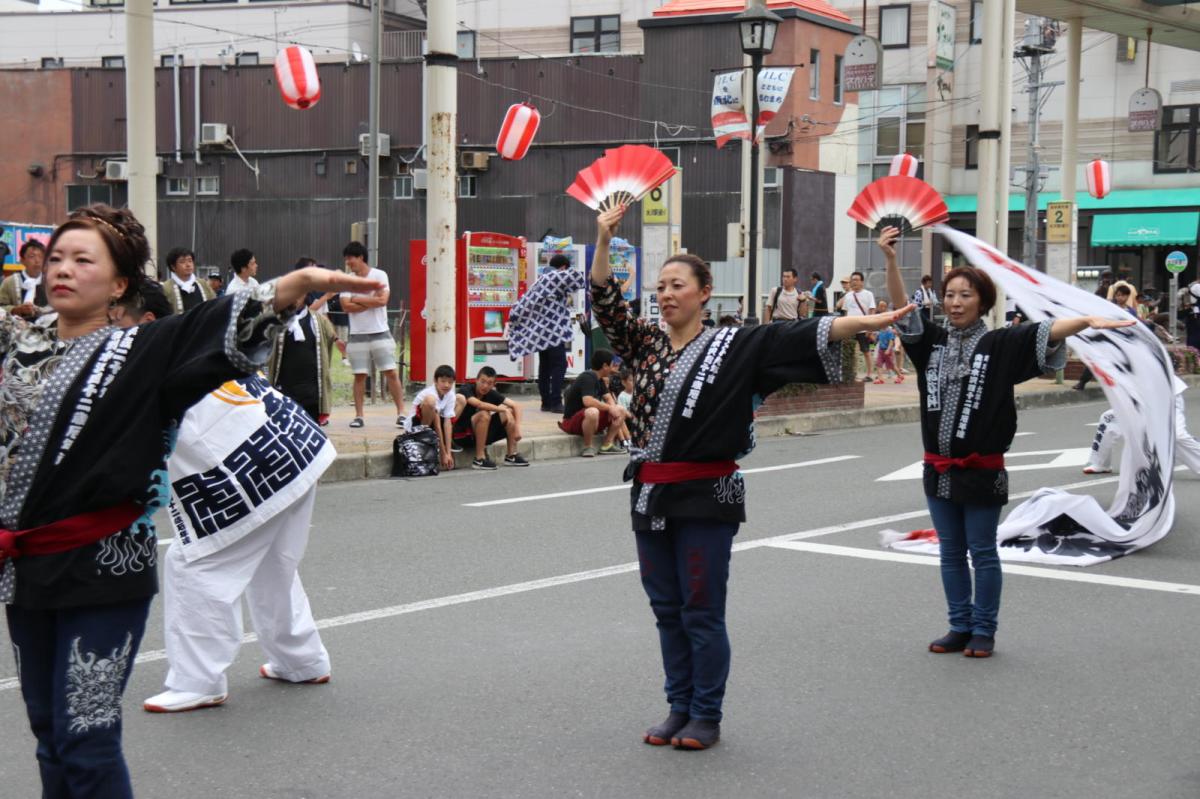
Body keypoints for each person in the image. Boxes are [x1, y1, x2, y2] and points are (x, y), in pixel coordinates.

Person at [0, 204, 379, 798]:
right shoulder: (15, 343)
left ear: (119, 283)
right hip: (25, 570)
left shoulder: (145, 348)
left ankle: (205, 677)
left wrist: (292, 288)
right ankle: (298, 658)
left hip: (105, 567)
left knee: (87, 737)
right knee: (49, 733)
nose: (63, 269)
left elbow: (217, 323)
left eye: (83, 259)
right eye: (55, 258)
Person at [590, 206, 912, 751]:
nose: (666, 294)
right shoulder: (643, 344)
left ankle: (706, 714)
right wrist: (602, 239)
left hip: (707, 494)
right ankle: (678, 704)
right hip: (650, 492)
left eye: (678, 285)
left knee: (701, 609)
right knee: (666, 608)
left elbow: (802, 332)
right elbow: (605, 299)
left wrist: (867, 322)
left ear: (705, 292)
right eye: (661, 286)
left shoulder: (735, 345)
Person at [877, 225, 1134, 660]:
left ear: (983, 302)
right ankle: (959, 625)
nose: (955, 302)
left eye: (965, 295)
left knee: (982, 550)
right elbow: (904, 313)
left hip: (983, 470)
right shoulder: (932, 345)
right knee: (951, 552)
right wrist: (888, 260)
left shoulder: (1000, 344)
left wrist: (1087, 320)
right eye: (950, 294)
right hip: (937, 469)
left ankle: (984, 630)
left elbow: (1048, 332)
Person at [105, 285, 334, 714]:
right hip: (297, 448)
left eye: (116, 319)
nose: (111, 329)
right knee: (273, 565)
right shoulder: (199, 342)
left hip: (253, 463)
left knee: (194, 565)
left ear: (148, 322)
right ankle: (301, 660)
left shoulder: (151, 358)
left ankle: (199, 680)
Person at [506, 253, 587, 413]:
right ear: (563, 268)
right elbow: (579, 279)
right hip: (553, 332)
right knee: (559, 365)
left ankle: (546, 402)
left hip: (541, 333)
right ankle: (556, 402)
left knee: (545, 366)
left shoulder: (541, 279)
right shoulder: (555, 276)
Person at [340, 241, 405, 428]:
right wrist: (371, 300)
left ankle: (401, 412)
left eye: (350, 258)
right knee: (359, 375)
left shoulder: (379, 275)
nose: (348, 262)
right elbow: (345, 306)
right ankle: (359, 415)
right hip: (357, 334)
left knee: (391, 372)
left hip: (380, 332)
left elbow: (383, 300)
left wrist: (356, 298)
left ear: (360, 257)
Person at [1084, 376, 1200, 476]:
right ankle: (1100, 462)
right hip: (1139, 399)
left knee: (1176, 435)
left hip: (1166, 397)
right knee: (1109, 418)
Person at [267, 266, 339, 424]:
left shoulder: (319, 321)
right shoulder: (275, 321)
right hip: (284, 391)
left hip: (311, 391)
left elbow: (328, 348)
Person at [452, 366, 529, 470]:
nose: (485, 386)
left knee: (510, 412)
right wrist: (502, 409)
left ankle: (511, 455)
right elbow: (479, 404)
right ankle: (479, 459)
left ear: (493, 385)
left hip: (481, 435)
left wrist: (517, 429)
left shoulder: (491, 394)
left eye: (489, 383)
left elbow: (517, 406)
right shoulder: (466, 389)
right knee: (484, 414)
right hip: (462, 436)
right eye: (482, 381)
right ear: (476, 380)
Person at [558, 349, 627, 457]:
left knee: (620, 409)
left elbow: (609, 398)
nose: (612, 369)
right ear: (605, 366)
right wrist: (610, 408)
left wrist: (614, 409)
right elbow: (588, 401)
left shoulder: (599, 380)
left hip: (589, 421)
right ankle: (588, 446)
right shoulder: (587, 377)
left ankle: (607, 445)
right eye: (612, 365)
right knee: (592, 411)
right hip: (571, 422)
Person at [411, 364, 457, 471]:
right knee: (430, 401)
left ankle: (438, 445)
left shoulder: (450, 395)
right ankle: (422, 440)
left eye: (450, 382)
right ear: (435, 381)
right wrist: (442, 452)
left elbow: (447, 423)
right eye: (443, 381)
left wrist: (448, 453)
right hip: (417, 425)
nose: (446, 385)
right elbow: (437, 425)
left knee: (447, 419)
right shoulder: (430, 393)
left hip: (432, 425)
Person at [836, 270, 876, 381]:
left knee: (866, 351)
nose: (854, 282)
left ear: (862, 282)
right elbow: (844, 312)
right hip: (850, 328)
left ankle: (869, 374)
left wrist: (870, 328)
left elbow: (872, 310)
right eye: (852, 280)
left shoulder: (868, 294)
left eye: (856, 280)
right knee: (849, 351)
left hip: (863, 328)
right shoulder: (848, 296)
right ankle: (850, 374)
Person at [0, 239, 49, 318]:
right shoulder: (9, 282)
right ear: (22, 260)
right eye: (32, 256)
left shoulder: (51, 282)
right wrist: (15, 310)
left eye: (41, 257)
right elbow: (1, 306)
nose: (37, 261)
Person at [162, 246, 216, 314]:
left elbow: (214, 305)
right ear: (173, 267)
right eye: (182, 262)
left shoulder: (202, 284)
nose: (188, 265)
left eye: (190, 261)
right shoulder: (166, 288)